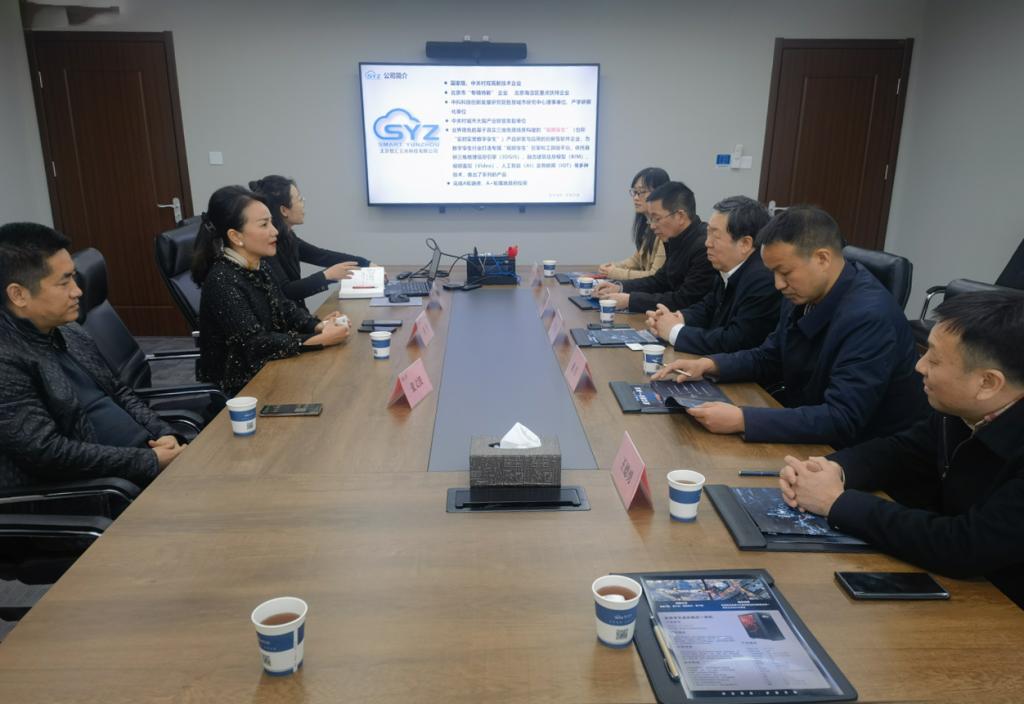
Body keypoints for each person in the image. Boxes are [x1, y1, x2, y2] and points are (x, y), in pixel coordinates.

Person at [779, 291, 1024, 607]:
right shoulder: (961, 409)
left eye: (934, 360)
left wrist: (835, 502)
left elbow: (966, 546)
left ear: (988, 383)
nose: (919, 366)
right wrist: (831, 469)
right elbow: (902, 451)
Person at [654, 205, 926, 448]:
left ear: (822, 259)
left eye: (784, 272)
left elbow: (841, 417)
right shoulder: (804, 292)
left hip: (863, 454)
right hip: (808, 431)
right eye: (773, 272)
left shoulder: (870, 317)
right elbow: (771, 355)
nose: (778, 284)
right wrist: (709, 365)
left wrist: (743, 419)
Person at [0, 222, 186, 489]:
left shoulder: (69, 330)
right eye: (64, 282)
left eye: (74, 277)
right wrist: (149, 461)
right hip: (104, 490)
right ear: (18, 294)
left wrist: (164, 433)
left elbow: (119, 392)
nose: (77, 290)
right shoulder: (6, 361)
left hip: (143, 461)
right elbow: (48, 453)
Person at [192, 186, 350, 396]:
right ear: (236, 236)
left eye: (272, 222)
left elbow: (286, 309)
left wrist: (319, 326)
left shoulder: (260, 265)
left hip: (272, 367)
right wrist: (319, 339)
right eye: (264, 224)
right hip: (241, 389)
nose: (275, 231)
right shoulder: (222, 280)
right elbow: (256, 343)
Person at [646, 196, 780, 354]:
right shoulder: (727, 269)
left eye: (715, 236)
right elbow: (707, 309)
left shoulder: (763, 281)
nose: (707, 243)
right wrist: (676, 318)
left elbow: (736, 341)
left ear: (745, 244)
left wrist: (674, 332)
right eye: (708, 233)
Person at [249, 175, 372, 311]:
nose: (303, 203)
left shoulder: (288, 237)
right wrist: (327, 275)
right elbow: (286, 291)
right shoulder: (267, 246)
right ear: (284, 210)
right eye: (299, 199)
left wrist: (366, 263)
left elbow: (321, 255)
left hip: (298, 316)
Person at [594, 181, 715, 313]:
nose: (652, 226)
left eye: (656, 219)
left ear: (680, 216)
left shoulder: (704, 247)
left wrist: (630, 300)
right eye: (650, 219)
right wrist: (619, 287)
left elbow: (684, 300)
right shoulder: (676, 239)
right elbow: (660, 281)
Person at [597, 167, 670, 280]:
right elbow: (637, 260)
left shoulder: (666, 229)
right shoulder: (647, 224)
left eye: (642, 192)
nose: (635, 198)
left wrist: (614, 272)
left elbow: (655, 276)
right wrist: (612, 267)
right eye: (635, 192)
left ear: (660, 192)